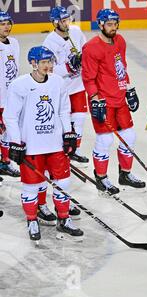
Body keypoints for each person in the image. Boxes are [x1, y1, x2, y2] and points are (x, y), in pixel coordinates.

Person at [3, 46, 83, 243]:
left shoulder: (57, 82)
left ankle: (63, 218)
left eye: (50, 62)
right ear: (33, 63)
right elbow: (10, 116)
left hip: (55, 144)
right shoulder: (20, 85)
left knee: (63, 183)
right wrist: (15, 142)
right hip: (31, 146)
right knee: (31, 187)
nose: (48, 66)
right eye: (44, 62)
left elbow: (64, 109)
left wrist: (68, 133)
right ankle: (32, 220)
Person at [82, 8, 145, 195]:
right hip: (103, 100)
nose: (113, 27)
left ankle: (125, 174)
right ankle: (101, 177)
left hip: (119, 97)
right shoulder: (91, 47)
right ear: (100, 24)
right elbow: (88, 78)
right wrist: (94, 99)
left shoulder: (120, 41)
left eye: (115, 24)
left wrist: (129, 89)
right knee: (105, 139)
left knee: (129, 136)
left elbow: (122, 68)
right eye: (109, 24)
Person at [43, 6, 89, 165]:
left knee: (80, 119)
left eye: (67, 19)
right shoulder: (49, 42)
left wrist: (84, 58)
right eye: (63, 20)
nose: (66, 23)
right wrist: (69, 67)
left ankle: (75, 149)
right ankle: (63, 149)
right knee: (64, 121)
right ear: (55, 23)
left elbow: (87, 50)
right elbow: (47, 70)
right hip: (62, 89)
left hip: (79, 85)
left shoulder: (76, 32)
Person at [0, 11, 20, 177]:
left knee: (7, 132)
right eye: (2, 24)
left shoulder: (14, 42)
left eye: (8, 23)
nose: (6, 27)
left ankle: (5, 162)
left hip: (10, 98)